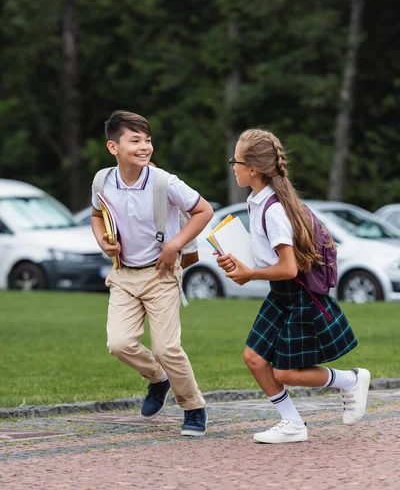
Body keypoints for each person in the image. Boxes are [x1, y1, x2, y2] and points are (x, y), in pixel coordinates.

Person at [217, 129, 370, 444]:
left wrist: (249, 276)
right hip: (281, 294)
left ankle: (351, 380)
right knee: (254, 359)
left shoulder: (274, 210)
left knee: (284, 372)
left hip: (299, 297)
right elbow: (268, 256)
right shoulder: (256, 201)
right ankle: (293, 424)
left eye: (236, 160)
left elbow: (288, 268)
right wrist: (239, 263)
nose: (232, 166)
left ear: (253, 169)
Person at [91, 110, 213, 436]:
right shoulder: (102, 180)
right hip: (124, 276)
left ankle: (193, 407)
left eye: (147, 140)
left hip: (161, 275)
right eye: (135, 141)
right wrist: (103, 240)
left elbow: (203, 210)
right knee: (118, 344)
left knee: (166, 348)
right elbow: (95, 215)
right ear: (113, 147)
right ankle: (158, 380)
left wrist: (174, 245)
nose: (144, 147)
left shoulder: (164, 182)